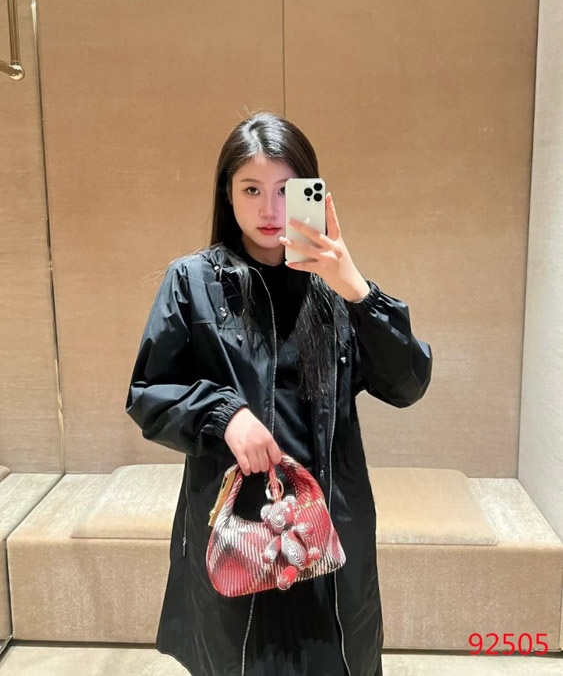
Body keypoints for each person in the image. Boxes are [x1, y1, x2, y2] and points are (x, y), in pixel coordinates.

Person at [125, 111, 432, 676]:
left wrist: (357, 291)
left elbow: (408, 383)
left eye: (287, 191)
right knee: (239, 661)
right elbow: (149, 394)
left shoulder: (334, 288)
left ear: (311, 193)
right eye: (251, 189)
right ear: (228, 194)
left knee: (338, 658)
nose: (269, 209)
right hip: (238, 533)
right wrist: (224, 414)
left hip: (328, 531)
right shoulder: (193, 281)